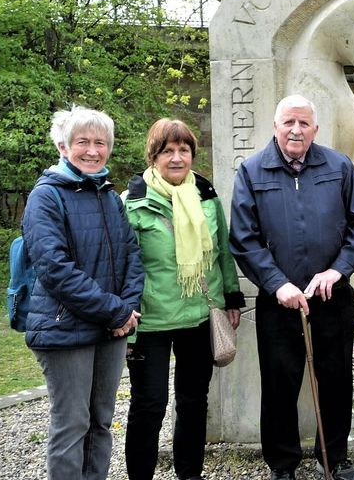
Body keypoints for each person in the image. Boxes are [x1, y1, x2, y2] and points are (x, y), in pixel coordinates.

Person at [229, 95, 354, 480]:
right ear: (275, 126)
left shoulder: (338, 166)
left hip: (331, 297)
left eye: (304, 123)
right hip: (279, 301)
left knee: (337, 377)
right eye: (289, 122)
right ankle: (282, 464)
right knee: (280, 382)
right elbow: (243, 238)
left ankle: (334, 457)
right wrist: (277, 284)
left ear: (315, 129)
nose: (296, 130)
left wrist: (338, 271)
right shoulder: (252, 171)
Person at [21, 106, 144, 480]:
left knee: (101, 423)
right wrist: (115, 311)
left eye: (100, 143)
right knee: (72, 426)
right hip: (64, 329)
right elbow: (55, 269)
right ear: (64, 146)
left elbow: (131, 255)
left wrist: (128, 308)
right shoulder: (46, 197)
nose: (93, 151)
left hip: (111, 329)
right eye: (83, 142)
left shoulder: (108, 196)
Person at [122, 119, 245, 480]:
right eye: (168, 151)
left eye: (184, 150)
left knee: (193, 402)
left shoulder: (206, 196)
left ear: (192, 154)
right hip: (151, 321)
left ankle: (190, 474)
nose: (177, 158)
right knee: (149, 404)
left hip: (198, 317)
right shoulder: (131, 202)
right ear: (153, 156)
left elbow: (222, 252)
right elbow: (122, 264)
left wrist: (231, 296)